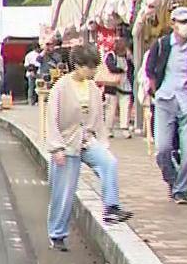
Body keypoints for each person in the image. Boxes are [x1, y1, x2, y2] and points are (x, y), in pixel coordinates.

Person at [43, 45, 134, 251]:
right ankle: (57, 233)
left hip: (87, 140)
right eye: (90, 67)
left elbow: (99, 119)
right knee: (64, 191)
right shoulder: (61, 87)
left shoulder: (92, 88)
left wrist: (102, 143)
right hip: (67, 143)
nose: (93, 72)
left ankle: (111, 207)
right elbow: (52, 119)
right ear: (78, 66)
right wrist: (56, 148)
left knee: (108, 162)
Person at [143, 5, 187, 204]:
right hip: (165, 100)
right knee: (162, 149)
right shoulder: (161, 45)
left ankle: (182, 190)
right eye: (183, 22)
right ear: (173, 24)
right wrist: (155, 90)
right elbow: (150, 70)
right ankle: (172, 179)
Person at [103, 40, 137, 140]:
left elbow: (133, 68)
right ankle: (108, 129)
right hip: (112, 86)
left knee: (125, 107)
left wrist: (131, 59)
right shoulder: (110, 55)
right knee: (110, 109)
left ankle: (125, 128)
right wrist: (121, 70)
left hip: (125, 85)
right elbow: (111, 67)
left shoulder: (127, 57)